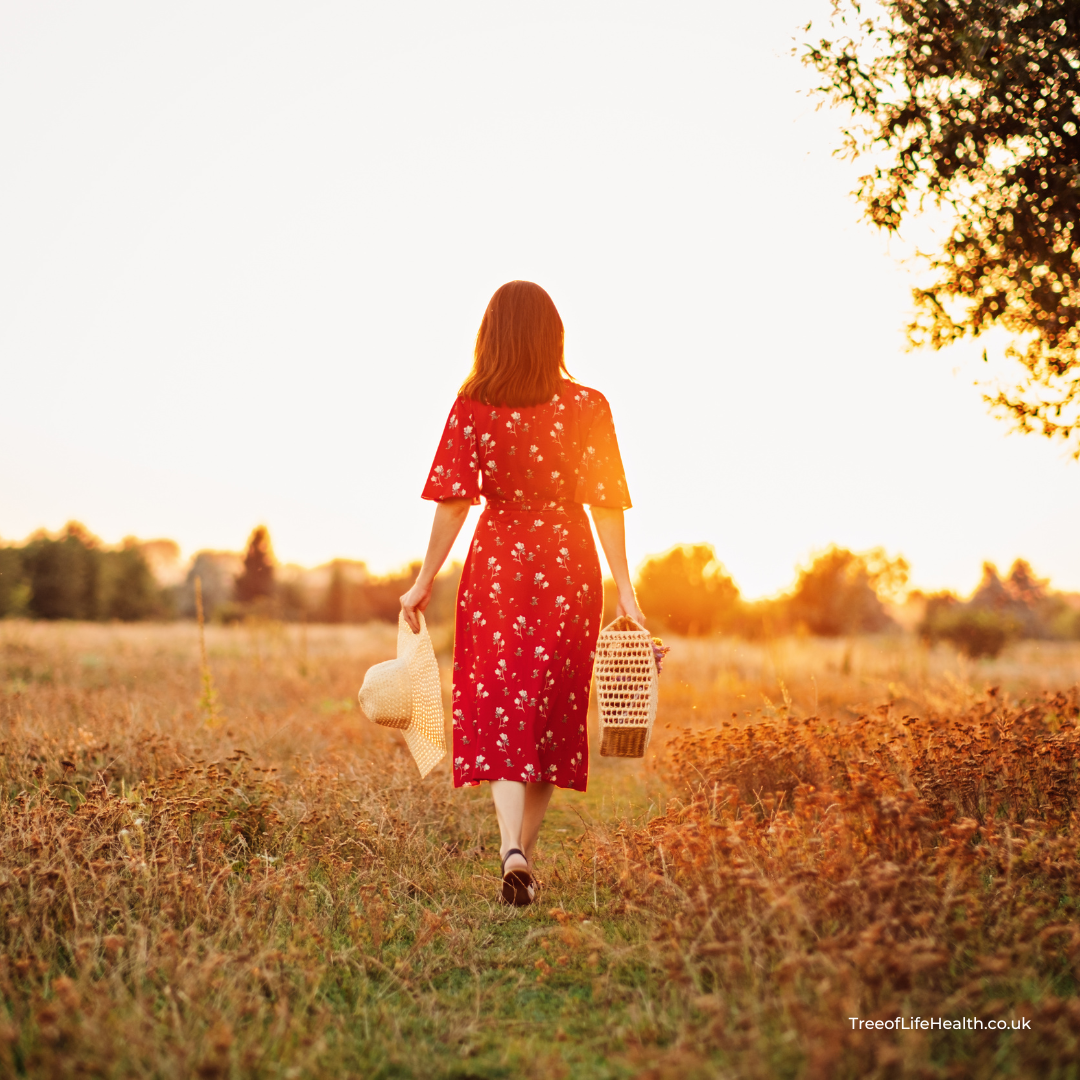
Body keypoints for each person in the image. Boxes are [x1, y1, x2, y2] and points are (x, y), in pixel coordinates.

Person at [399, 280, 644, 906]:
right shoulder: (589, 405)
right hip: (567, 568)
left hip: (498, 569)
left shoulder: (473, 406)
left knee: (505, 709)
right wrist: (627, 592)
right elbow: (607, 504)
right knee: (549, 713)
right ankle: (521, 855)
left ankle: (513, 850)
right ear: (554, 336)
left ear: (492, 336)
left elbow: (454, 504)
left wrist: (424, 580)